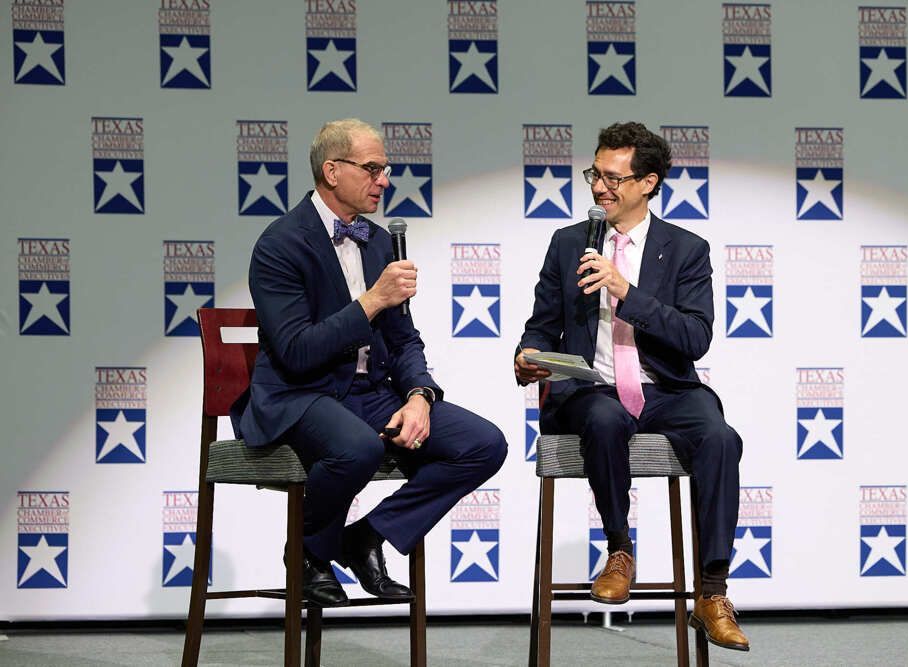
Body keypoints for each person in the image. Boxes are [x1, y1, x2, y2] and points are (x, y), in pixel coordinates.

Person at [232, 118, 507, 607]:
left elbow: (403, 340)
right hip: (302, 394)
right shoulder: (280, 244)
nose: (384, 180)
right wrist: (371, 301)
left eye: (386, 169)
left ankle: (364, 537)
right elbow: (296, 351)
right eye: (374, 169)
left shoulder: (379, 242)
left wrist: (420, 396)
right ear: (332, 171)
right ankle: (308, 554)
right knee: (358, 448)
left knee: (483, 444)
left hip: (370, 392)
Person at [515, 121, 749, 651]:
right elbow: (540, 324)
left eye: (614, 179)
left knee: (720, 438)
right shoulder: (568, 242)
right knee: (603, 419)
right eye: (595, 175)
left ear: (649, 182)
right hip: (591, 387)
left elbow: (695, 337)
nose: (600, 188)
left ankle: (712, 593)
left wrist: (628, 292)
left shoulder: (687, 249)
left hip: (665, 387)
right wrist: (526, 356)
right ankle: (620, 549)